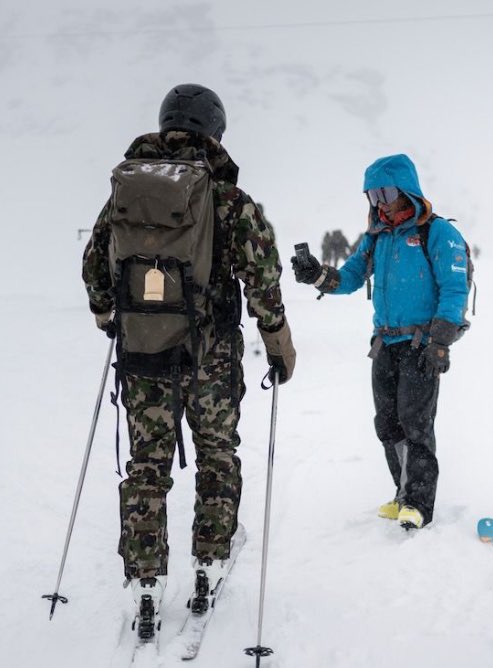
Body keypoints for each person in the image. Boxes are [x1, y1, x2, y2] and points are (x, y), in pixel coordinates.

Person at [82, 83, 295, 626]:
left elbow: (94, 264)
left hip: (145, 355)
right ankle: (208, 565)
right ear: (215, 132)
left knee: (147, 465)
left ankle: (146, 582)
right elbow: (262, 275)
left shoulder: (127, 191)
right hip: (212, 358)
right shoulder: (227, 199)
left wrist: (110, 316)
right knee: (217, 457)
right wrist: (278, 344)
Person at [292, 154, 469, 530]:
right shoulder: (377, 238)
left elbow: (455, 289)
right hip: (385, 344)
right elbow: (352, 277)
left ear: (407, 190)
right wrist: (317, 276)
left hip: (421, 343)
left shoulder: (435, 233)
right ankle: (402, 494)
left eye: (385, 192)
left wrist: (441, 342)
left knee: (415, 422)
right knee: (387, 423)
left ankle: (420, 503)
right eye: (372, 195)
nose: (380, 202)